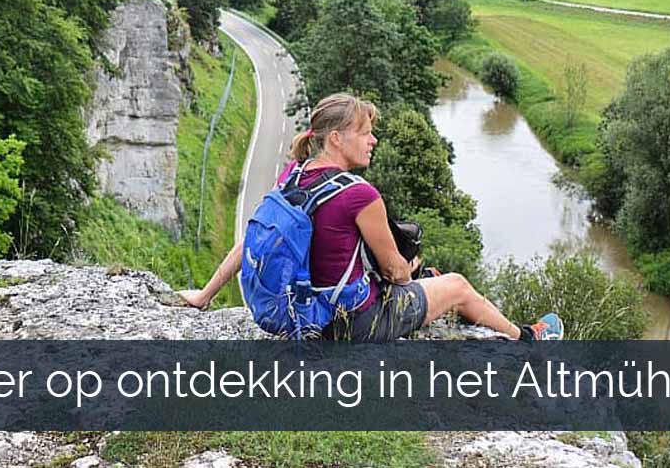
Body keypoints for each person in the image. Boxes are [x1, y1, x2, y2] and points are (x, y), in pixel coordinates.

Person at [179, 92, 562, 342]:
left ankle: (498, 328)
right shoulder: (360, 195)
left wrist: (204, 295)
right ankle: (528, 340)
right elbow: (396, 274)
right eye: (364, 133)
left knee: (431, 282)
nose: (372, 140)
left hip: (306, 316)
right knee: (456, 284)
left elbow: (252, 241)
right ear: (336, 138)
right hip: (352, 325)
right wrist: (408, 266)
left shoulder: (293, 176)